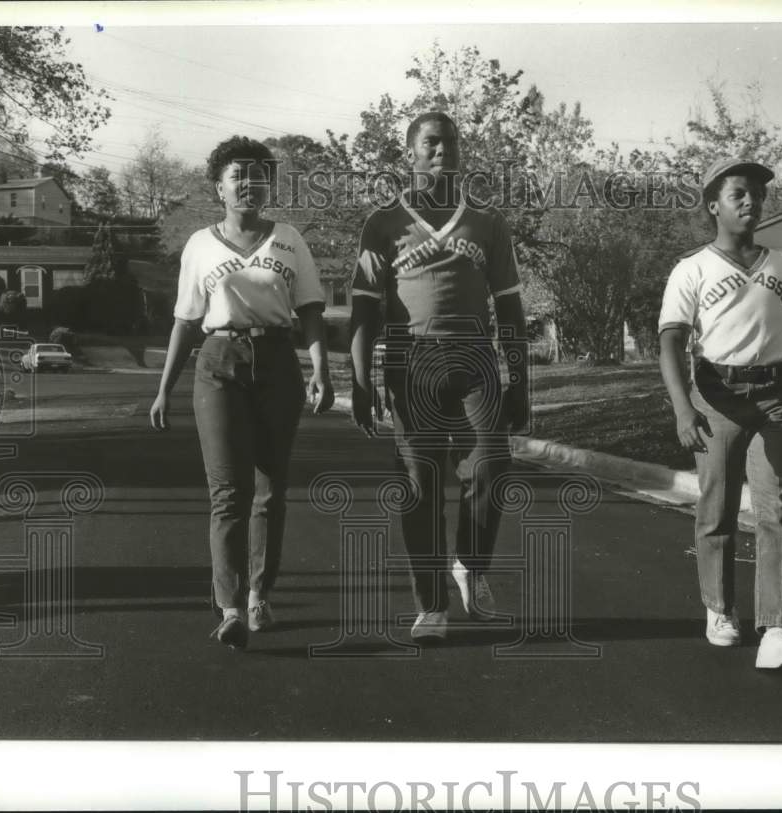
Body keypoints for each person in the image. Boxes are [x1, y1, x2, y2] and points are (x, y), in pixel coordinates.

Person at [349, 111, 529, 642]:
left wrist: (520, 382)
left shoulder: (487, 220)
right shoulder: (384, 222)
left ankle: (470, 567)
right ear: (410, 153)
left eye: (450, 142)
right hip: (412, 359)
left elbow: (511, 309)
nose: (442, 151)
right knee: (420, 484)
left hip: (475, 356)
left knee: (493, 467)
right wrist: (360, 381)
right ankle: (432, 604)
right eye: (430, 143)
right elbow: (364, 310)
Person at [150, 136, 334, 650]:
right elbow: (186, 323)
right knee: (228, 492)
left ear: (268, 185)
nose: (248, 184)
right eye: (237, 176)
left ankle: (259, 596)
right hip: (219, 363)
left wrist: (321, 370)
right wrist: (164, 389)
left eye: (257, 176)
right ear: (220, 187)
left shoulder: (290, 239)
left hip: (277, 361)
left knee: (270, 492)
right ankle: (229, 606)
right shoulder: (200, 245)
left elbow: (313, 310)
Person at [657, 157, 782, 670]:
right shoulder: (692, 268)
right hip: (716, 396)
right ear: (714, 206)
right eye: (739, 195)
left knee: (778, 513)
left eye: (757, 196)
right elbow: (671, 342)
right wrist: (683, 409)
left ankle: (776, 627)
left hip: (776, 397)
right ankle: (720, 609)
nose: (751, 203)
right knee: (717, 509)